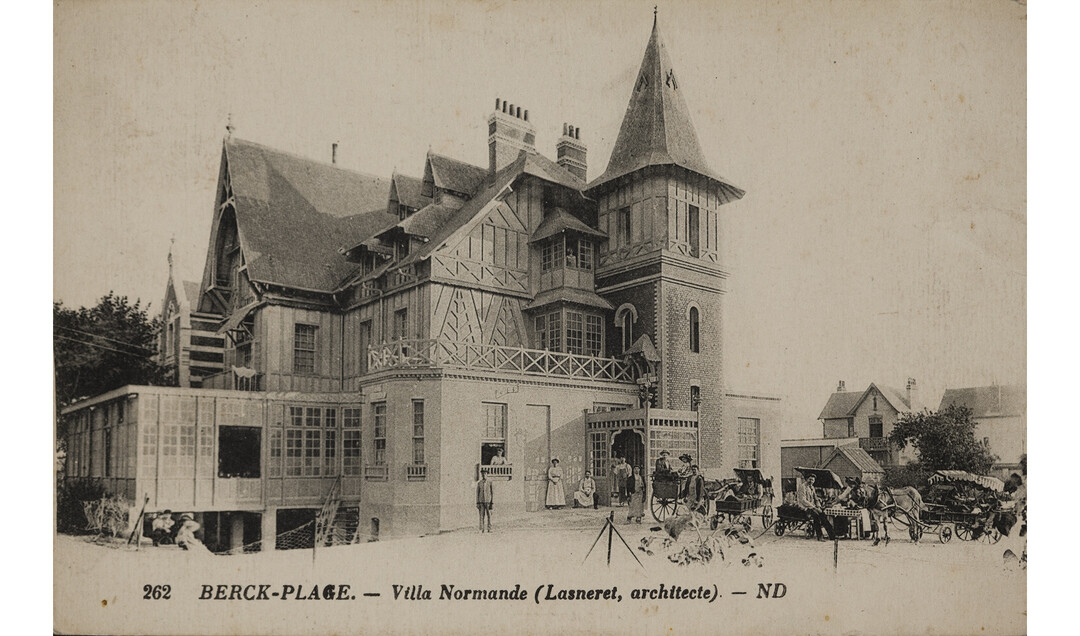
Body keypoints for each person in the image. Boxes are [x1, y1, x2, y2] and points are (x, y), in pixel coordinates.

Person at [796, 474, 836, 541]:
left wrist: (819, 506)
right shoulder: (802, 487)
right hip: (804, 507)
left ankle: (832, 535)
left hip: (812, 507)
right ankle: (820, 536)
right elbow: (803, 500)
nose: (811, 481)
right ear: (806, 479)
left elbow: (816, 498)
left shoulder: (812, 487)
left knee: (823, 515)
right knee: (816, 516)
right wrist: (814, 507)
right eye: (810, 479)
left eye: (813, 480)